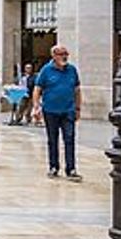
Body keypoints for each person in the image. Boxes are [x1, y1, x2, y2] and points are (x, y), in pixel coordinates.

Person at [33, 44, 82, 181]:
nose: (64, 56)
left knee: (70, 139)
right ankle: (53, 167)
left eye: (66, 53)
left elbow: (77, 90)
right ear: (54, 56)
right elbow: (37, 89)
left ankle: (71, 169)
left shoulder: (72, 70)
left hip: (68, 110)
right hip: (50, 111)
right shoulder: (46, 70)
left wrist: (78, 108)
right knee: (52, 140)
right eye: (61, 54)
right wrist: (36, 107)